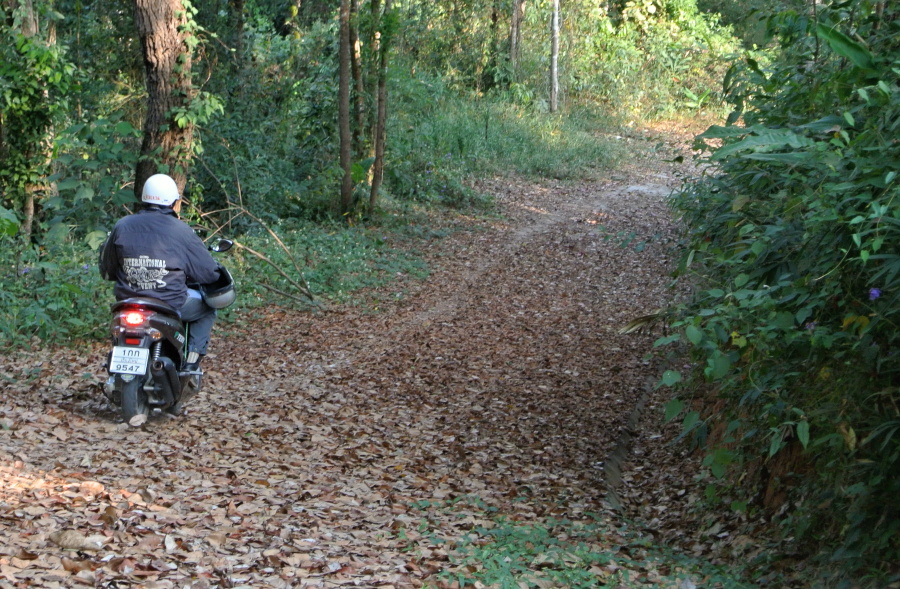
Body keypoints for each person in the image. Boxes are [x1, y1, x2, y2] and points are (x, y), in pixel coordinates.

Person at [99, 173, 220, 373]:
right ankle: (191, 360)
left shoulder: (122, 225)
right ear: (173, 201)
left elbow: (108, 267)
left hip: (127, 302)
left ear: (144, 197)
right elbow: (207, 273)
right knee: (207, 309)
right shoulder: (181, 230)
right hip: (169, 302)